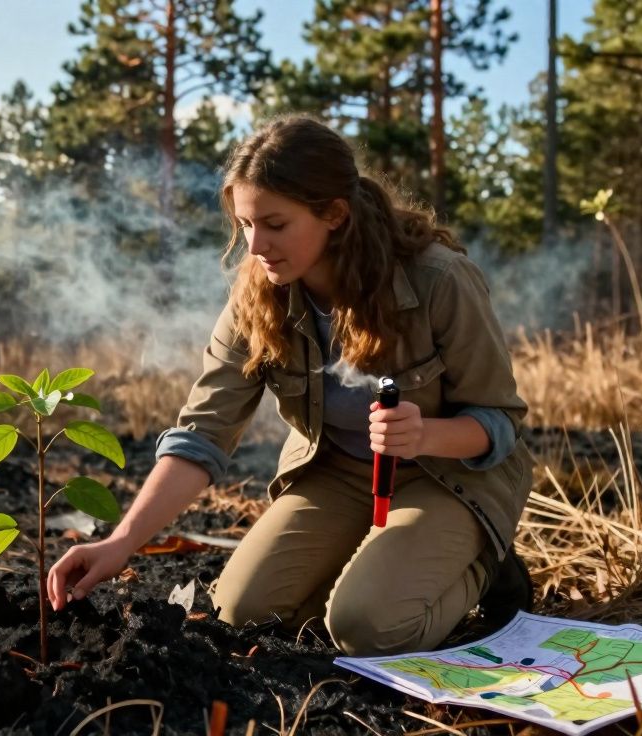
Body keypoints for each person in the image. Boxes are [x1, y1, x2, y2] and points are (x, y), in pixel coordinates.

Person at [46, 114, 535, 657]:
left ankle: (484, 568)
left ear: (333, 214)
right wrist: (120, 542)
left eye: (275, 224)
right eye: (246, 224)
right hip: (339, 476)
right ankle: (379, 563)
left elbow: (499, 422)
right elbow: (202, 434)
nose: (256, 246)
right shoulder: (257, 298)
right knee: (242, 614)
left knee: (366, 628)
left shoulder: (439, 279)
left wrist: (424, 436)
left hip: (446, 480)